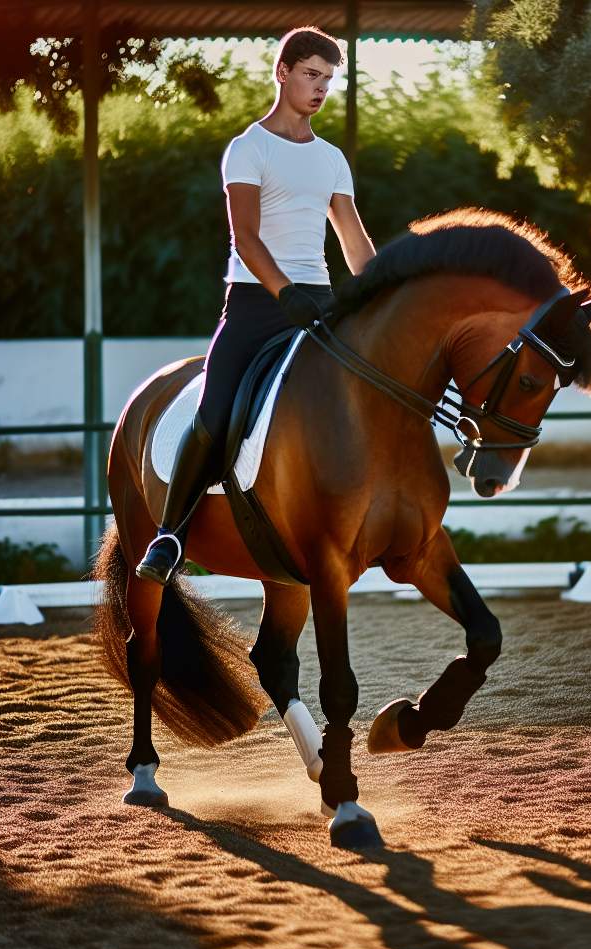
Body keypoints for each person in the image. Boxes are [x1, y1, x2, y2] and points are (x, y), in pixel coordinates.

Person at [137, 26, 375, 585]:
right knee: (216, 411)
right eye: (311, 75)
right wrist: (282, 292)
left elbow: (353, 239)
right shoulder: (249, 148)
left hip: (319, 302)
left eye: (328, 80)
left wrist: (382, 289)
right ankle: (172, 534)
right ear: (283, 73)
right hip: (254, 303)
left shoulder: (331, 159)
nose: (320, 89)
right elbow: (245, 236)